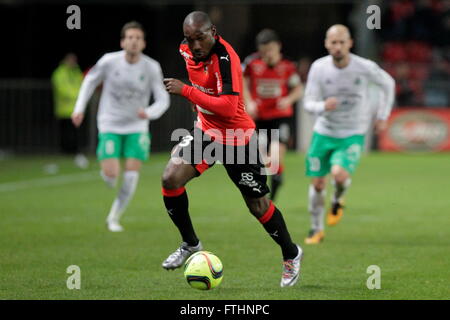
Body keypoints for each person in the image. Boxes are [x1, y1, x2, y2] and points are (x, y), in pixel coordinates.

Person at [161, 11, 303, 287]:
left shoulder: (227, 59)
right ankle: (191, 243)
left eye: (200, 38)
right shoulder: (185, 49)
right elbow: (202, 82)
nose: (196, 45)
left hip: (237, 138)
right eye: (190, 39)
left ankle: (291, 253)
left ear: (213, 31)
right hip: (205, 133)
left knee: (258, 206)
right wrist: (197, 101)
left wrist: (187, 92)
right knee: (170, 178)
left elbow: (227, 106)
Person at [72, 21, 170, 232]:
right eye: (130, 38)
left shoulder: (151, 66)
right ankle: (107, 175)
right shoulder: (109, 61)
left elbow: (163, 99)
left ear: (143, 43)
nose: (134, 42)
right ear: (123, 41)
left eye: (138, 38)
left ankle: (114, 217)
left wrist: (149, 112)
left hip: (137, 126)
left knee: (131, 174)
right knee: (111, 176)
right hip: (110, 123)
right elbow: (89, 81)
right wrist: (79, 108)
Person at [303, 24, 395, 244]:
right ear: (326, 44)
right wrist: (323, 106)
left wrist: (383, 115)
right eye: (333, 42)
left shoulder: (364, 67)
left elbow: (388, 84)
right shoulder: (319, 68)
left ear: (350, 43)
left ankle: (338, 197)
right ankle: (316, 229)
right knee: (317, 184)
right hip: (323, 133)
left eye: (342, 42)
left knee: (339, 175)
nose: (337, 47)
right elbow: (308, 103)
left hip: (352, 132)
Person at [242, 29, 303, 201]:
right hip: (259, 118)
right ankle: (276, 178)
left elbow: (298, 89)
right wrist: (249, 102)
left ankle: (271, 198)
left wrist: (288, 99)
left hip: (280, 117)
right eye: (264, 51)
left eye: (270, 50)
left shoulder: (288, 66)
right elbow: (243, 83)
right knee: (263, 160)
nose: (267, 54)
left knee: (274, 158)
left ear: (278, 47)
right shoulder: (252, 63)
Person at [51, 53, 89, 169]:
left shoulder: (76, 72)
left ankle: (75, 154)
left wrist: (80, 98)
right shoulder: (59, 73)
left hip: (77, 110)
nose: (73, 62)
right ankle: (66, 154)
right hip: (64, 110)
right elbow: (61, 88)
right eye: (71, 60)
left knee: (75, 134)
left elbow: (83, 85)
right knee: (66, 133)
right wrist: (77, 96)